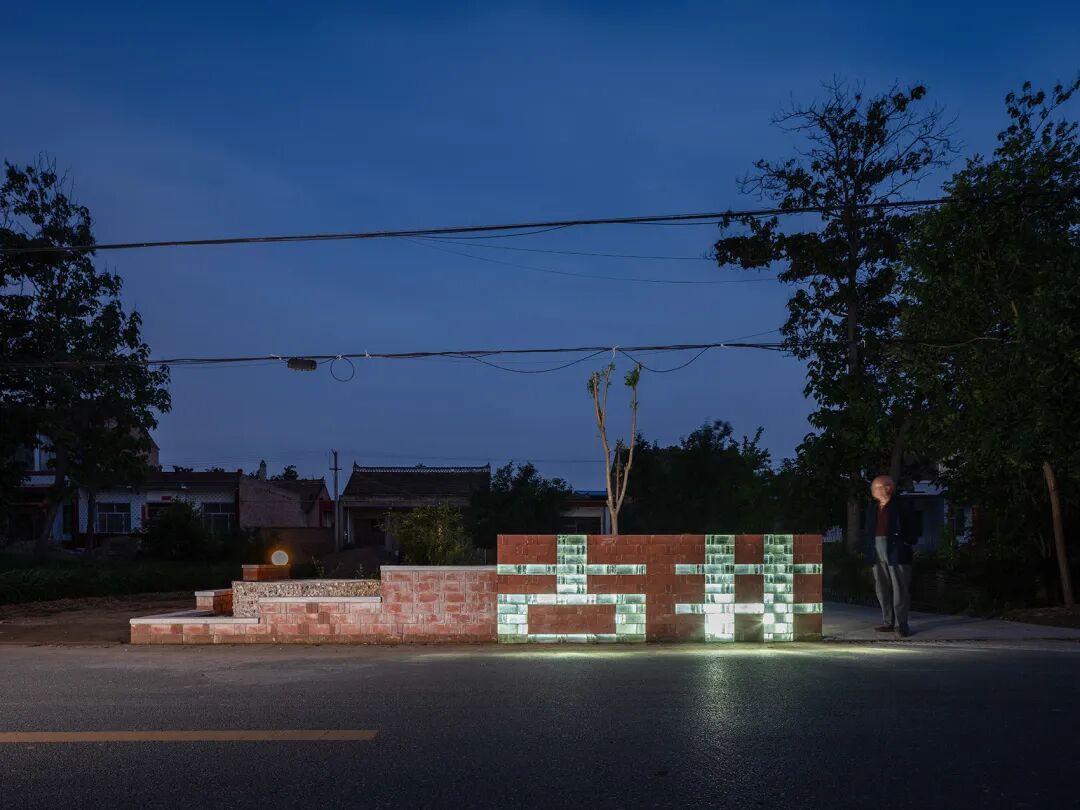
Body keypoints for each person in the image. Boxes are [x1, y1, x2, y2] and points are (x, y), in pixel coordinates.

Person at [863, 475, 917, 638]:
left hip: (896, 550)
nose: (874, 491)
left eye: (878, 487)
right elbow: (868, 530)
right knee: (881, 587)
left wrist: (905, 543)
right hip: (876, 549)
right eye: (873, 488)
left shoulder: (902, 505)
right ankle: (888, 622)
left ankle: (902, 625)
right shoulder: (872, 508)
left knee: (899, 588)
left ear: (888, 488)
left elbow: (913, 527)